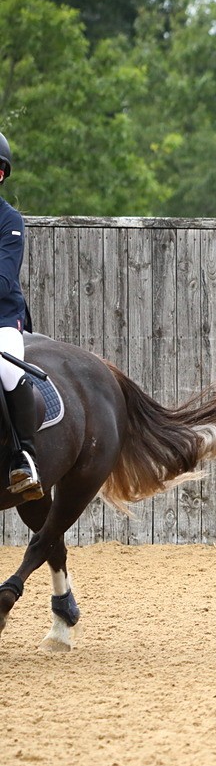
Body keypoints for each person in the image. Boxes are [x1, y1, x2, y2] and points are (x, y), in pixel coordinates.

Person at [0, 130, 40, 498]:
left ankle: (23, 456)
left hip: (2, 318)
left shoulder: (9, 220)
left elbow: (3, 279)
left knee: (8, 369)